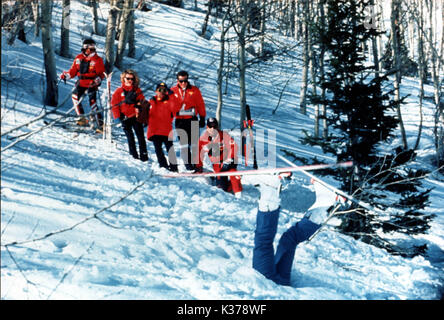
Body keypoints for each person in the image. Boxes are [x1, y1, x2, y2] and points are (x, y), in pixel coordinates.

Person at [252, 174, 346, 286]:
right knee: (263, 242)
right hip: (266, 284)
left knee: (289, 239)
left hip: (283, 283)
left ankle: (324, 202)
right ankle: (270, 190)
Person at [60, 38, 105, 130]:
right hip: (80, 82)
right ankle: (82, 118)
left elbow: (101, 73)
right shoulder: (79, 58)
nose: (90, 49)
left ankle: (100, 123)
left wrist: (98, 79)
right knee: (75, 97)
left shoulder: (97, 60)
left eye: (92, 47)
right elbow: (73, 71)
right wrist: (66, 76)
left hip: (91, 83)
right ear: (84, 47)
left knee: (93, 103)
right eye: (88, 47)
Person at [195, 117, 242, 198]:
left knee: (233, 174)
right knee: (222, 188)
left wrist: (228, 160)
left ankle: (239, 194)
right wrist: (198, 166)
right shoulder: (203, 139)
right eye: (210, 126)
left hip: (229, 161)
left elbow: (234, 147)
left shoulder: (224, 135)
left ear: (217, 127)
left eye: (214, 126)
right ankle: (226, 184)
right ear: (207, 127)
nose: (212, 128)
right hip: (217, 164)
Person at [171, 70, 206, 171]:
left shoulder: (194, 90)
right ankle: (189, 165)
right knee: (184, 144)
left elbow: (200, 104)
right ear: (177, 80)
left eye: (185, 80)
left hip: (192, 119)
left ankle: (197, 165)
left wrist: (202, 117)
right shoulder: (173, 91)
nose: (183, 83)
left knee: (195, 144)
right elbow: (169, 105)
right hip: (180, 121)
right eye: (181, 81)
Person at [111, 70, 148, 162]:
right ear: (123, 79)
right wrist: (117, 117)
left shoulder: (137, 90)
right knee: (130, 136)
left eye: (132, 79)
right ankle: (133, 155)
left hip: (135, 116)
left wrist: (139, 108)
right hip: (125, 117)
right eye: (128, 78)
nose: (130, 80)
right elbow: (115, 105)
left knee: (140, 136)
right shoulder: (119, 91)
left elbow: (142, 102)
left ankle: (144, 155)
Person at [147, 83, 179, 172]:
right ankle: (163, 166)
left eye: (164, 90)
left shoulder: (169, 101)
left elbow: (175, 109)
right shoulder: (151, 101)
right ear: (156, 91)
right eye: (159, 90)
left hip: (166, 130)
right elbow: (144, 113)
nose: (161, 92)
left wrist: (171, 95)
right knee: (158, 149)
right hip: (154, 130)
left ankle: (174, 168)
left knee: (170, 149)